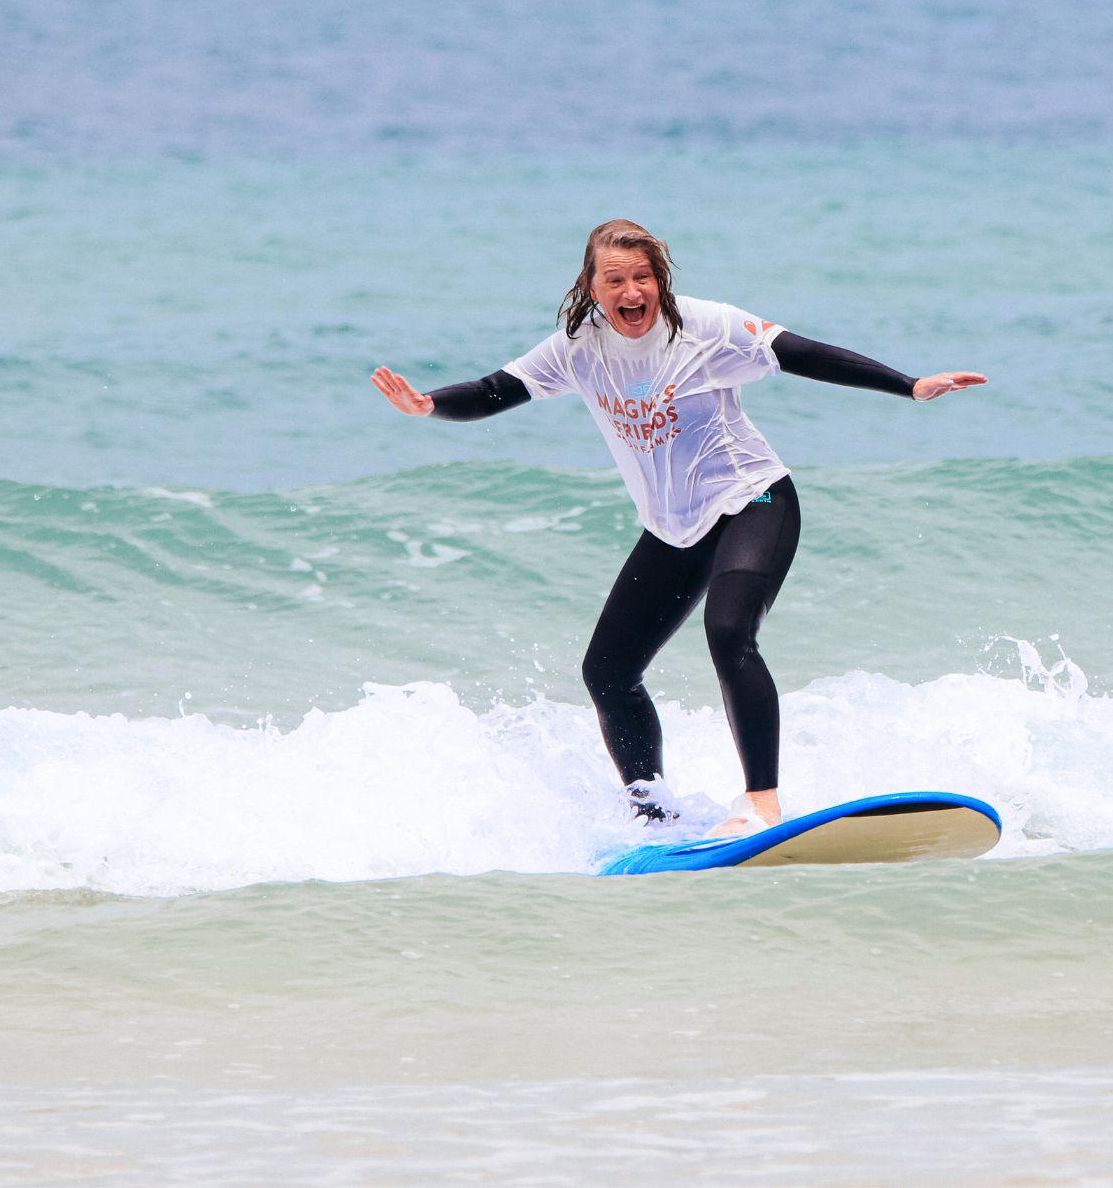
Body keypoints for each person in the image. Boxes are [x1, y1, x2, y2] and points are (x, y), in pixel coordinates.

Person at [371, 219, 985, 835]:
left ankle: (761, 802)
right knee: (607, 672)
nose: (632, 291)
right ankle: (654, 818)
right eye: (616, 279)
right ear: (591, 285)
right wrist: (429, 405)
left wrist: (908, 385)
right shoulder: (578, 346)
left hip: (753, 500)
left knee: (728, 630)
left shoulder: (705, 327)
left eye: (643, 277)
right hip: (674, 529)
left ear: (659, 282)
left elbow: (800, 353)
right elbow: (493, 391)